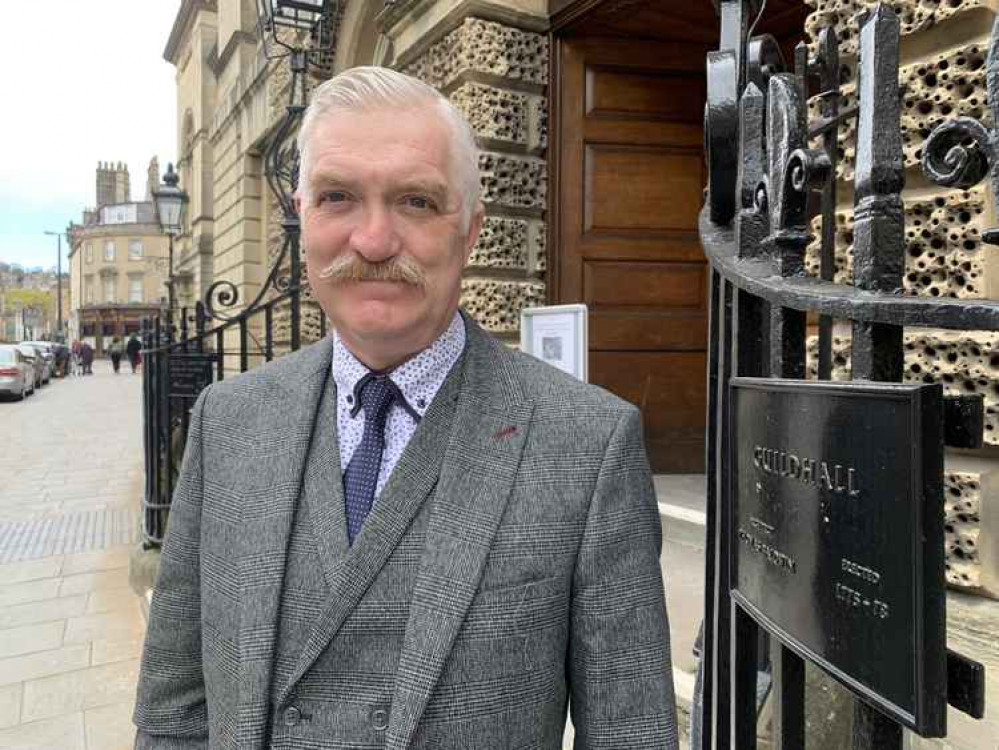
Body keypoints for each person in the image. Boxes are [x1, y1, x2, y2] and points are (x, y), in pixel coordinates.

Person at [133, 67, 677, 750]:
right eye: (337, 197)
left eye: (416, 202)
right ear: (303, 219)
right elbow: (173, 714)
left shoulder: (588, 445)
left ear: (471, 232)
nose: (373, 241)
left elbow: (631, 732)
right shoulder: (227, 423)